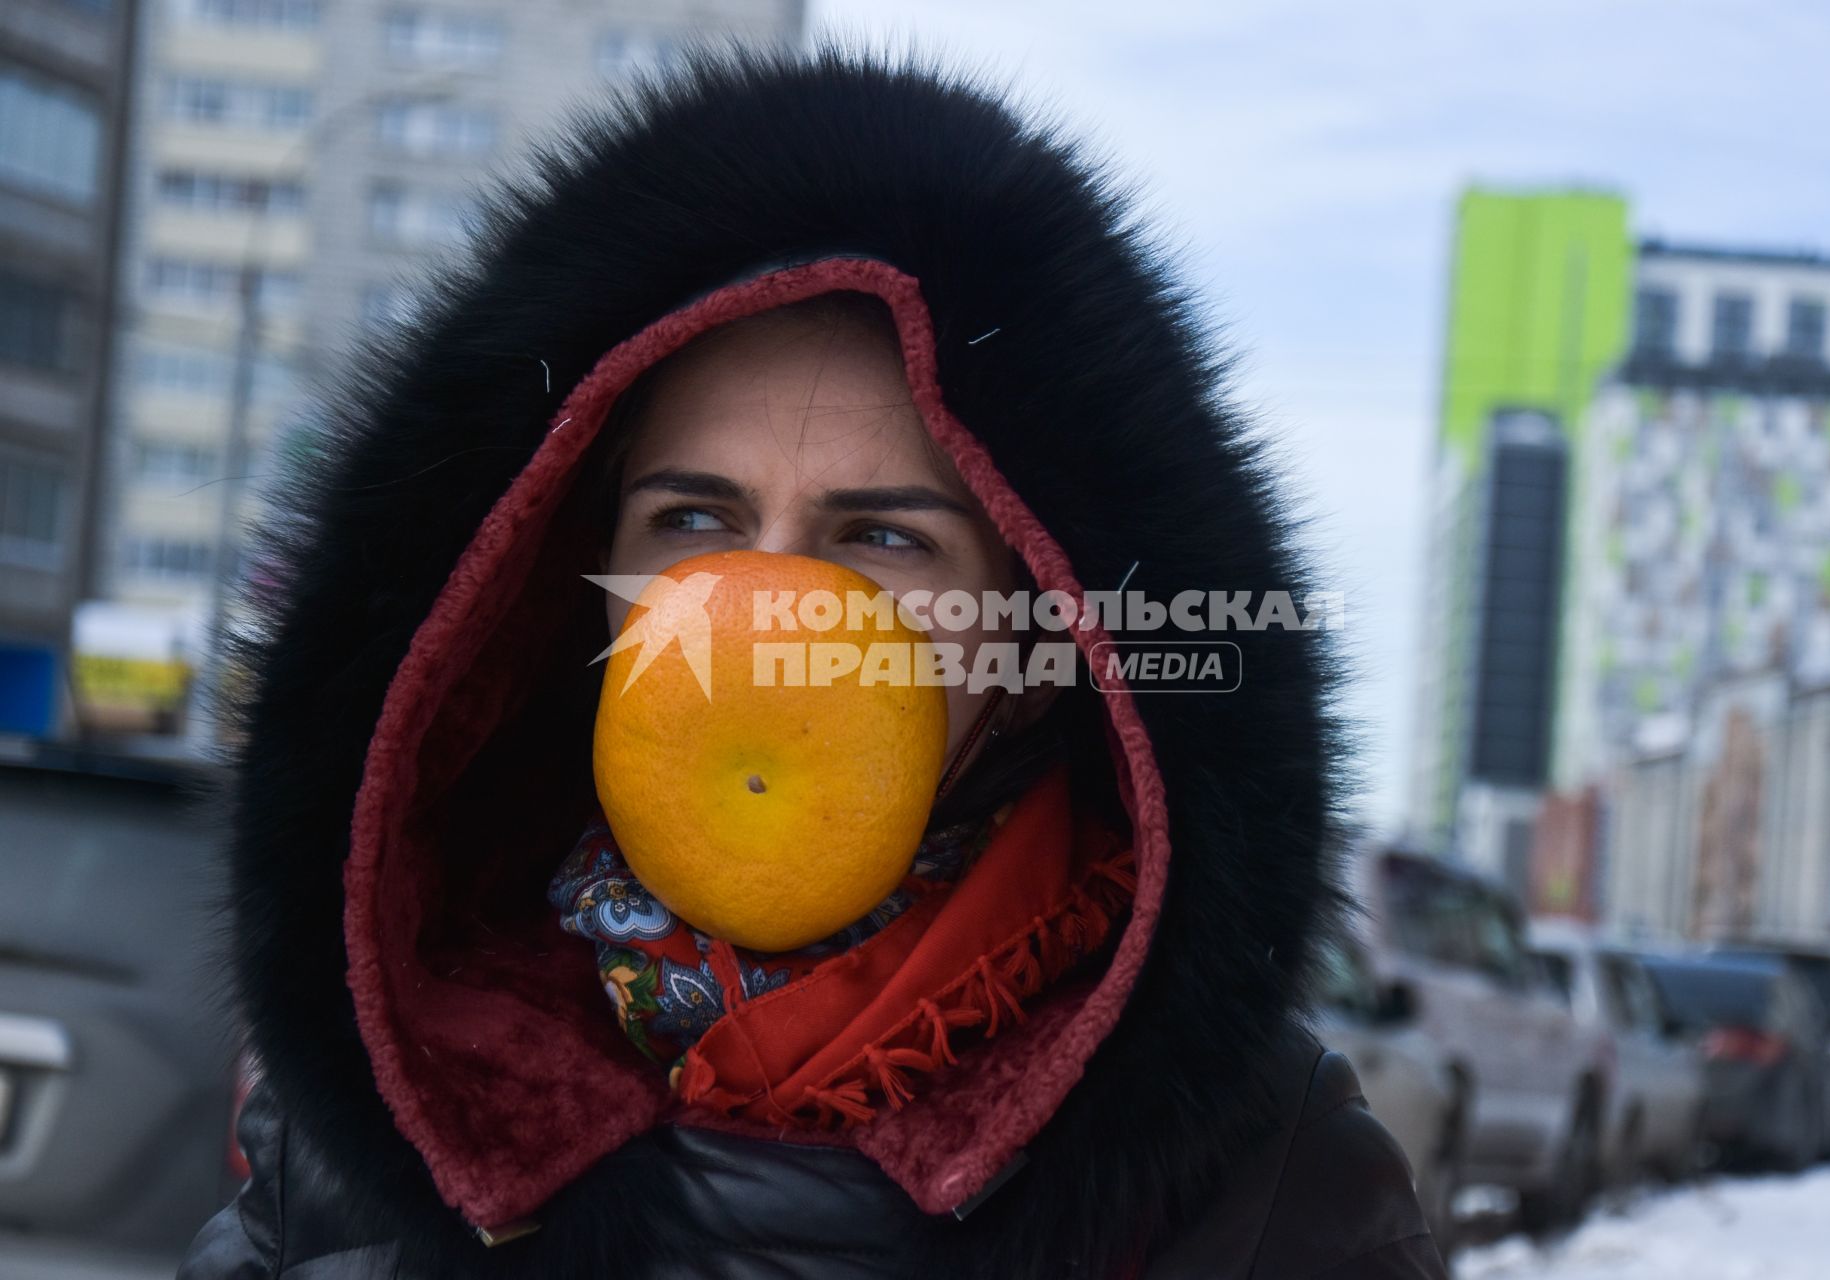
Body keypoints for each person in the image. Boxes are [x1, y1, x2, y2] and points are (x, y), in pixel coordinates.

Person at [180, 43, 1446, 1280]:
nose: (765, 613)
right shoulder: (392, 1096)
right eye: (693, 519)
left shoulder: (1270, 1185)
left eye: (882, 536)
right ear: (588, 598)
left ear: (1042, 646)